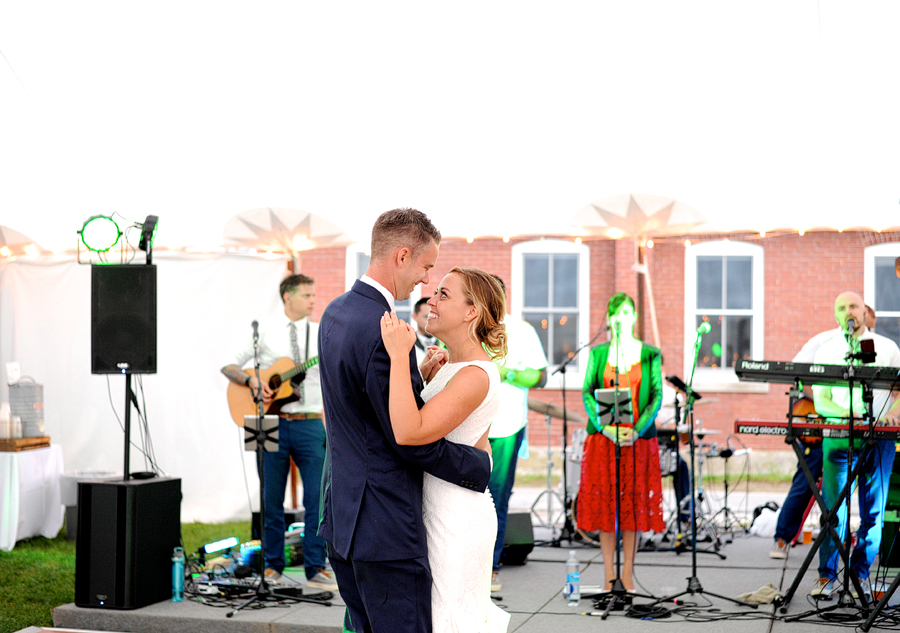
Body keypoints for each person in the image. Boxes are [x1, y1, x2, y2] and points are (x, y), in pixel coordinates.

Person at [317, 208, 492, 633]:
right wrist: (477, 466)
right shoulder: (381, 329)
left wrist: (422, 382)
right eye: (426, 266)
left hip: (343, 517)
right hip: (385, 526)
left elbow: (354, 416)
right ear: (401, 256)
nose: (427, 282)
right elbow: (406, 437)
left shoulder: (336, 313)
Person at [381, 266, 511, 632]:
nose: (430, 300)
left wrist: (396, 358)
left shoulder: (475, 374)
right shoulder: (451, 367)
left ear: (471, 312)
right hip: (436, 505)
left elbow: (410, 431)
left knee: (448, 619)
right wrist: (422, 378)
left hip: (456, 517)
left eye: (443, 294)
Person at [221, 274, 336, 591]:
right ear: (287, 296)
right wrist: (251, 382)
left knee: (317, 497)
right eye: (307, 295)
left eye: (314, 294)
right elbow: (229, 364)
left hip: (310, 420)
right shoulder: (264, 329)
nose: (314, 300)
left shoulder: (321, 332)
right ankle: (272, 565)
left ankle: (315, 566)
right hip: (265, 421)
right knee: (270, 498)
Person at [809, 292, 900, 602]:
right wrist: (849, 416)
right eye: (842, 308)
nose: (849, 312)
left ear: (864, 311)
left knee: (874, 509)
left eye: (854, 306)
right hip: (839, 436)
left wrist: (890, 415)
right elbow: (821, 399)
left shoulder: (888, 348)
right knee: (834, 507)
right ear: (836, 315)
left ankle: (859, 573)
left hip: (880, 437)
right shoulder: (827, 349)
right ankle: (827, 575)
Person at [771, 305, 877, 559]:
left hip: (848, 424)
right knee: (807, 479)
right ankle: (783, 538)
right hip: (818, 420)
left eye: (872, 327)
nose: (870, 331)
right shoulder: (823, 341)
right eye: (868, 324)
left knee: (846, 484)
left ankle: (843, 541)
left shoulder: (868, 347)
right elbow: (795, 374)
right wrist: (821, 400)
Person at [578, 292, 665, 592]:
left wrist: (637, 431)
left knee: (632, 507)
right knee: (606, 507)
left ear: (634, 317)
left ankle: (628, 573)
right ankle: (608, 575)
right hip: (604, 440)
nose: (620, 318)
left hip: (637, 442)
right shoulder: (598, 353)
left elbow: (656, 396)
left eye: (626, 312)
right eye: (615, 313)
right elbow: (587, 391)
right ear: (610, 318)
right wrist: (605, 429)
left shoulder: (650, 353)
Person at [486, 275, 548, 592]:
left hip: (507, 427)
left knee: (496, 499)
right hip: (467, 426)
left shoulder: (522, 331)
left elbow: (541, 377)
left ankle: (491, 568)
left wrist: (507, 372)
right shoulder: (468, 327)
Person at [412, 296, 439, 366]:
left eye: (434, 316)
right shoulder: (407, 343)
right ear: (415, 316)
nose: (431, 320)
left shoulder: (447, 344)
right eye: (426, 316)